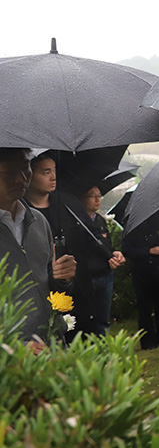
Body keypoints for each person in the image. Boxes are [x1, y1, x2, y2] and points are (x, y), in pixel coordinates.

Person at [0, 147, 76, 347]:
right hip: (15, 358)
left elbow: (47, 282)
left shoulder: (38, 221)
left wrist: (63, 277)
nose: (21, 179)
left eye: (25, 166)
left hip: (55, 344)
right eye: (8, 172)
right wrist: (12, 346)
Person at [70, 185, 125, 336]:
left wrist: (115, 253)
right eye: (92, 196)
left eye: (99, 195)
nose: (97, 199)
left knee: (103, 319)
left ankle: (103, 346)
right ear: (82, 199)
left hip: (105, 275)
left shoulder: (100, 220)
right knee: (86, 318)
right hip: (87, 277)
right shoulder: (75, 222)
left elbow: (107, 246)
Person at [123, 226, 159, 350]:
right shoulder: (132, 226)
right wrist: (148, 251)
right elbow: (127, 250)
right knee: (144, 307)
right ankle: (148, 341)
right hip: (141, 271)